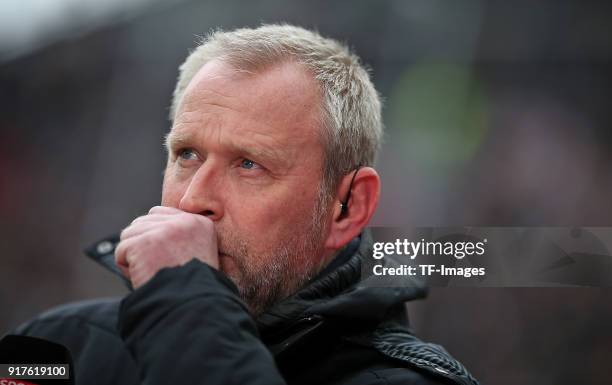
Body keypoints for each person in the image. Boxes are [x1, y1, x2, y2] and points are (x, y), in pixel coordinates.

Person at [10, 24, 479, 385]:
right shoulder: (59, 345)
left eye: (249, 164)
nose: (194, 199)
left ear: (348, 207)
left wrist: (182, 304)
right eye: (187, 154)